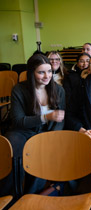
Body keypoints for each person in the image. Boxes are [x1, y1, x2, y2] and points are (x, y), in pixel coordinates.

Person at [0, 54, 65, 196]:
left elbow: (60, 121)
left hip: (46, 132)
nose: (47, 76)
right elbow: (18, 121)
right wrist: (45, 117)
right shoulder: (19, 89)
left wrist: (51, 136)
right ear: (31, 73)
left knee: (40, 152)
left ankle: (31, 197)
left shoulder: (59, 90)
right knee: (14, 150)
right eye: (41, 72)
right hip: (22, 131)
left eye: (49, 71)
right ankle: (9, 196)